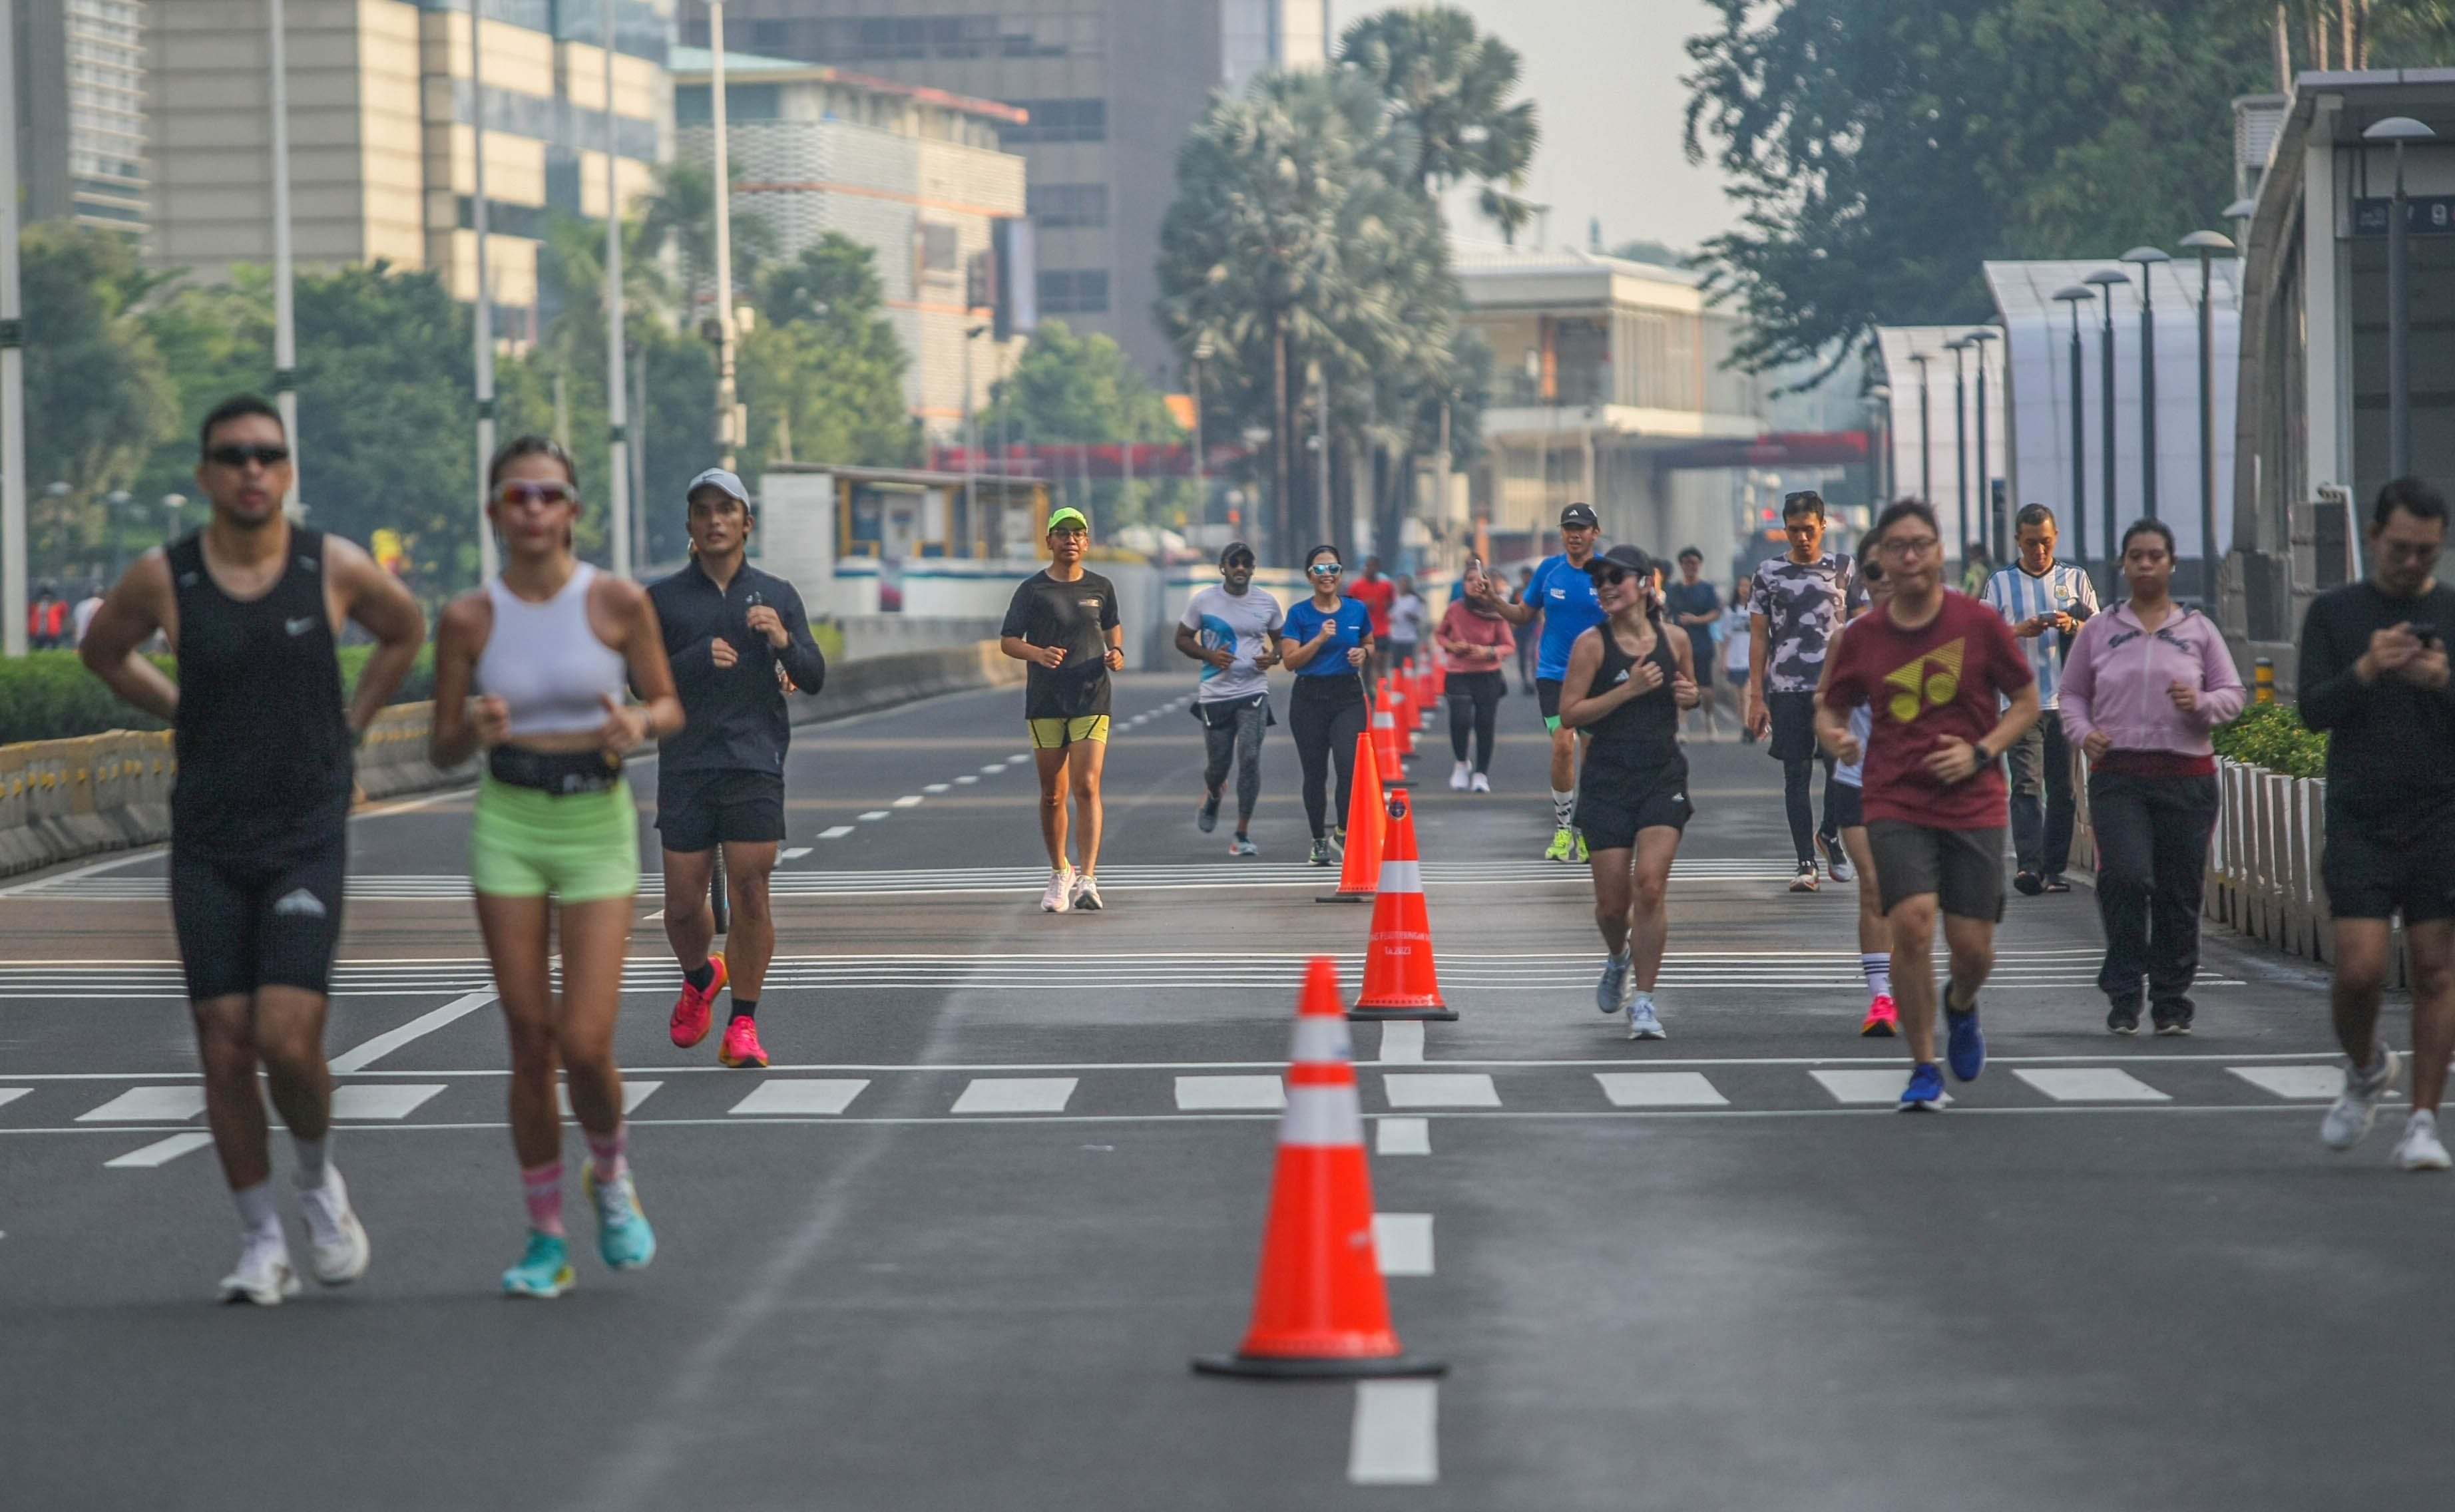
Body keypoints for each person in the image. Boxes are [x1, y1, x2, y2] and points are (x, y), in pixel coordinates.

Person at [81, 393, 425, 1304]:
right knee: (225, 1046)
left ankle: (315, 1182)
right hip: (208, 834)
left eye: (267, 455)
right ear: (205, 474)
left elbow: (404, 629)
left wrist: (354, 722)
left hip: (305, 830)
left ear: (287, 471)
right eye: (233, 455)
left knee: (286, 1037)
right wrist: (177, 705)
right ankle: (261, 1238)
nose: (251, 469)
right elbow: (103, 650)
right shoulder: (167, 576)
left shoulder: (329, 565)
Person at [433, 436, 682, 1298]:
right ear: (495, 512)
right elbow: (439, 747)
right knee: (530, 1042)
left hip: (595, 823)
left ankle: (610, 1174)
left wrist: (638, 724)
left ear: (574, 509)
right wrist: (474, 729)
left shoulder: (615, 601)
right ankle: (545, 1237)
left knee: (584, 1044)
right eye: (517, 496)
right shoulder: (469, 618)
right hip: (508, 820)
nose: (533, 509)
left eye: (548, 495)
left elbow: (668, 702)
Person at [1819, 499, 2039, 1111]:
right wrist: (1835, 736)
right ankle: (1923, 1066)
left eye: (1921, 544)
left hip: (1973, 801)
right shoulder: (1863, 637)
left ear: (1940, 552)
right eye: (1897, 547)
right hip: (1894, 797)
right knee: (1912, 925)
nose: (1910, 556)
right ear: (1881, 560)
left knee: (1972, 949)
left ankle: (1961, 1004)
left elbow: (2026, 702)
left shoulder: (1979, 624)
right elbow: (1831, 705)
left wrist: (1981, 751)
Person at [2297, 478, 2455, 1169]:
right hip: (2360, 814)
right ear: (2372, 537)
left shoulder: (2449, 612)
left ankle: (2423, 1121)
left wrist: (2441, 681)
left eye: (2426, 551)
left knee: (2436, 970)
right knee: (2359, 970)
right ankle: (2365, 1066)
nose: (2412, 563)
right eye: (2399, 549)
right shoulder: (2335, 613)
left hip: (2440, 812)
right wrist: (2366, 667)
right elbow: (2311, 710)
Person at [649, 468, 829, 1072]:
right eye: (703, 511)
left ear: (747, 523)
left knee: (752, 890)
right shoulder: (664, 600)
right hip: (686, 762)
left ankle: (743, 1023)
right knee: (682, 906)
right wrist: (694, 660)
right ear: (690, 525)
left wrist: (782, 640)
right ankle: (701, 975)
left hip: (755, 760)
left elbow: (813, 675)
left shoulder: (777, 595)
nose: (715, 521)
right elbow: (639, 681)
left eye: (726, 510)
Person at [2058, 520, 2244, 1036]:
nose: (2145, 564)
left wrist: (2200, 703)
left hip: (2187, 777)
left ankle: (2170, 999)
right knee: (2125, 877)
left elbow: (2232, 694)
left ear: (2171, 563)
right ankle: (2124, 990)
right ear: (2123, 563)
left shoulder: (2197, 631)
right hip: (2120, 776)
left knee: (2178, 891)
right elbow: (2072, 693)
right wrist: (2084, 732)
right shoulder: (2100, 630)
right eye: (2136, 556)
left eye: (2155, 556)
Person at [1560, 545, 1699, 1040]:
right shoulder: (1591, 646)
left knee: (1651, 887)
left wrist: (1691, 696)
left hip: (1662, 774)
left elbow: (1689, 690)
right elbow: (1569, 713)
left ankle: (1643, 1001)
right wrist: (1628, 689)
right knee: (1612, 909)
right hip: (1607, 781)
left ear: (1644, 583)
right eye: (1599, 580)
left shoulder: (1675, 638)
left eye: (1615, 577)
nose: (1605, 586)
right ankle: (1618, 956)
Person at [1001, 506, 1125, 912]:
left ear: (1086, 542)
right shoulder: (1032, 590)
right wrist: (1038, 653)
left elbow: (1112, 625)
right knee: (1053, 795)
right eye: (1062, 532)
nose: (1070, 539)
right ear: (1049, 541)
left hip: (1091, 695)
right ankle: (1060, 872)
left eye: (1078, 533)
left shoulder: (1101, 586)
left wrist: (1117, 651)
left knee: (1087, 785)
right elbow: (1008, 640)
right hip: (1046, 699)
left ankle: (1088, 879)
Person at [1981, 504, 2101, 896]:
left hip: (2067, 702)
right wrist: (2019, 630)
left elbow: (2101, 632)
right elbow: (1982, 638)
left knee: (2063, 790)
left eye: (2046, 542)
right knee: (2026, 785)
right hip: (2020, 704)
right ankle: (2029, 867)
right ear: (2018, 540)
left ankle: (2054, 869)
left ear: (2056, 537)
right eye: (2031, 543)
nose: (2039, 551)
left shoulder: (2075, 578)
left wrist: (2073, 625)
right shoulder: (2000, 583)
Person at [1748, 490, 1862, 892]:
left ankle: (1828, 833)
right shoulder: (1768, 573)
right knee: (1795, 773)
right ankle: (1805, 863)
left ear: (1823, 526)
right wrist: (1756, 696)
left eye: (1809, 529)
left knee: (1840, 769)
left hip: (1836, 687)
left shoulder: (1844, 568)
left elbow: (1864, 626)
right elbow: (1759, 637)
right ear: (1784, 529)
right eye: (1793, 530)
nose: (1801, 537)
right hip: (1787, 687)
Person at [1487, 502, 1608, 861]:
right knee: (1563, 745)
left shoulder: (1609, 572)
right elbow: (1523, 615)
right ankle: (1563, 828)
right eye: (1569, 529)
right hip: (1554, 675)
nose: (1574, 535)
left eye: (1581, 529)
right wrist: (1492, 598)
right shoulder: (1548, 570)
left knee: (1593, 756)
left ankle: (1586, 830)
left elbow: (1627, 619)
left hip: (1598, 676)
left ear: (1595, 533)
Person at [1817, 542, 1900, 1037]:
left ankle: (1913, 977)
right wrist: (1836, 738)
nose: (1883, 579)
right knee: (1875, 884)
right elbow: (1826, 705)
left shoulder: (1943, 635)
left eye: (1889, 569)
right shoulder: (1847, 639)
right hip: (1859, 780)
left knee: (1913, 897)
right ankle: (1882, 996)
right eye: (1872, 572)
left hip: (1920, 786)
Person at [1176, 540, 1282, 855]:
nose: (1240, 568)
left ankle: (1242, 833)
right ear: (1222, 567)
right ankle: (1214, 793)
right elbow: (1182, 638)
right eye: (1234, 562)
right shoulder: (1204, 600)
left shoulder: (1267, 602)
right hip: (1215, 694)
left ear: (1253, 569)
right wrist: (1209, 655)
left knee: (1249, 758)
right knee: (1218, 765)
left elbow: (1283, 641)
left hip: (1253, 691)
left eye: (1246, 563)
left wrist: (1273, 658)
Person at [1280, 544, 1375, 866]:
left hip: (1348, 696)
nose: (1327, 575)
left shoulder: (1356, 609)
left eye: (1333, 569)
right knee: (1315, 773)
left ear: (1341, 574)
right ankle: (1318, 840)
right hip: (1309, 699)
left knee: (1349, 768)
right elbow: (1290, 661)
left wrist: (1364, 653)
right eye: (1319, 569)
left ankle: (1343, 831)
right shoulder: (1298, 614)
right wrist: (1319, 639)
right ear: (1310, 576)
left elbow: (1369, 641)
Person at [1436, 559, 1514, 791]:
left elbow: (1509, 646)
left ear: (1487, 584)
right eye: (1469, 580)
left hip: (1488, 675)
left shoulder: (1497, 610)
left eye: (1479, 580)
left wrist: (1489, 651)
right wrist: (1452, 646)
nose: (1474, 584)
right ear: (1463, 584)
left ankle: (1481, 774)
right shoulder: (1455, 609)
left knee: (1485, 724)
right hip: (1458, 673)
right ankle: (1461, 763)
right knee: (1460, 720)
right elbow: (1440, 635)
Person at [1664, 548, 1722, 739]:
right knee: (1681, 683)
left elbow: (1716, 612)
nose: (1690, 567)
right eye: (1687, 563)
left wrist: (1696, 620)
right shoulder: (1673, 590)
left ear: (1699, 565)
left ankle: (1709, 718)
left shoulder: (1707, 589)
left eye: (1694, 563)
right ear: (1681, 565)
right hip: (1678, 644)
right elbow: (1666, 612)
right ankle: (1682, 727)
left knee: (1705, 687)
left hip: (1701, 643)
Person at [1347, 554, 1397, 680]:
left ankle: (1382, 686)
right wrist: (1363, 605)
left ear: (1378, 568)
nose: (1371, 569)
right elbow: (1348, 607)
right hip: (1364, 631)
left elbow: (1392, 602)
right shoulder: (1356, 586)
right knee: (1367, 664)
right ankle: (1369, 688)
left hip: (1382, 630)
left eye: (1374, 566)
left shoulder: (1386, 586)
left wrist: (1388, 605)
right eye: (1368, 566)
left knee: (1380, 661)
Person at [1720, 579, 1753, 740]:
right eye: (1742, 586)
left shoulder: (1757, 610)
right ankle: (1744, 725)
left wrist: (1766, 660)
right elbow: (1725, 639)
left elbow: (1763, 638)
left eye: (1748, 586)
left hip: (1751, 660)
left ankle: (1748, 727)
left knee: (1748, 695)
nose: (1744, 589)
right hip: (1734, 660)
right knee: (1739, 698)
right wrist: (1724, 660)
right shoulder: (1730, 612)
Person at [1386, 574, 1427, 679]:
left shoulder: (1414, 600)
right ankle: (1398, 685)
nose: (1403, 585)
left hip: (1410, 637)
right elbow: (1387, 614)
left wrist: (1411, 617)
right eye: (1401, 583)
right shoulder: (1394, 599)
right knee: (1396, 665)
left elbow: (1420, 618)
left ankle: (1409, 684)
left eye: (1406, 583)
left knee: (1409, 665)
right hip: (1396, 637)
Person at [71, 582, 105, 646]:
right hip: (98, 641)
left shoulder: (81, 605)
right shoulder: (103, 604)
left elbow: (75, 626)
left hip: (81, 641)